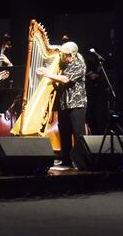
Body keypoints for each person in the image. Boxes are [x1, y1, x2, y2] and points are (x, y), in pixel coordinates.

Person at [36, 41, 87, 169]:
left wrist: (47, 74)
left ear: (73, 55)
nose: (62, 57)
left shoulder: (79, 65)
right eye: (63, 55)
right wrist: (50, 47)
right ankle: (66, 160)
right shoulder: (64, 65)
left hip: (76, 105)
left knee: (78, 134)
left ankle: (82, 160)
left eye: (65, 55)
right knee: (64, 133)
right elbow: (57, 51)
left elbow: (65, 79)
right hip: (64, 105)